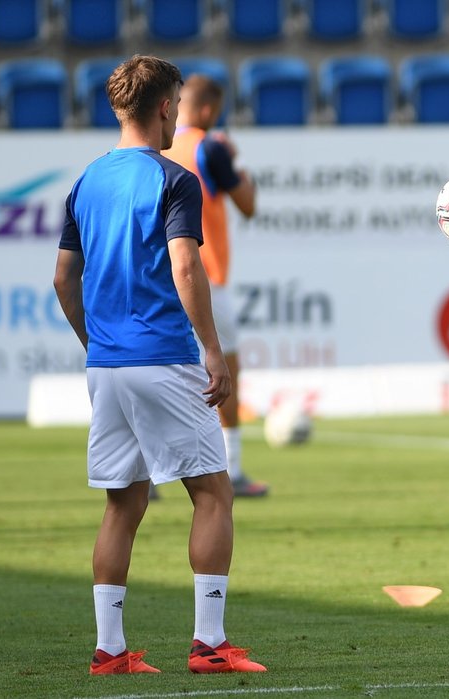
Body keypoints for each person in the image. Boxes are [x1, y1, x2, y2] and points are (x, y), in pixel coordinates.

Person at [53, 55, 267, 675]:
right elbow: (184, 265)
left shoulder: (87, 180)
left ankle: (110, 651)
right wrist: (210, 350)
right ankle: (210, 645)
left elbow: (65, 277)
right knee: (212, 493)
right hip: (166, 358)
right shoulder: (174, 180)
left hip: (110, 366)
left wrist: (94, 344)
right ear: (167, 106)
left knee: (123, 504)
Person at [161, 73, 267, 498]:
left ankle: (144, 475)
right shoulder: (209, 147)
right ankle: (234, 469)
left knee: (160, 371)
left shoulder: (158, 147)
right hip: (204, 275)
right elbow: (248, 205)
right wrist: (235, 162)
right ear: (207, 110)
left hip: (159, 275)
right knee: (227, 367)